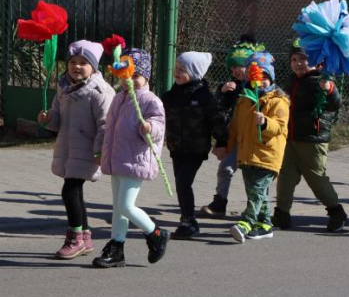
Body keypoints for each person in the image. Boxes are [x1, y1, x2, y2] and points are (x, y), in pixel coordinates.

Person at [92, 49, 169, 268]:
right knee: (118, 207)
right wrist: (101, 152)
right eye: (126, 75)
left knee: (126, 206)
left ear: (146, 76)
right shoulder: (118, 99)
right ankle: (117, 246)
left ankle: (155, 233)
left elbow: (159, 125)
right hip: (117, 159)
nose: (130, 80)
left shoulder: (151, 100)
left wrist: (150, 127)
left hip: (136, 160)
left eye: (136, 76)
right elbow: (108, 128)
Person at [37, 40, 115, 259]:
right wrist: (48, 119)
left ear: (94, 67)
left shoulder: (100, 91)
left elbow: (105, 124)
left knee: (69, 190)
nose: (77, 66)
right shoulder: (64, 88)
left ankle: (75, 238)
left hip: (88, 150)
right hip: (68, 147)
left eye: (83, 62)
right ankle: (85, 236)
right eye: (73, 61)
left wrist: (100, 151)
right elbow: (56, 115)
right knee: (76, 191)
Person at [273, 42, 348, 232]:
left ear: (316, 60)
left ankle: (336, 212)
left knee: (316, 179)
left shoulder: (321, 79)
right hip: (290, 137)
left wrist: (329, 89)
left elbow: (334, 103)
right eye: (294, 59)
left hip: (312, 139)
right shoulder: (292, 79)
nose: (298, 63)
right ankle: (281, 213)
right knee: (286, 176)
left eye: (304, 59)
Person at [162, 51, 227, 240]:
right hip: (176, 147)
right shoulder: (170, 95)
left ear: (195, 72)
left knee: (183, 182)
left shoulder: (204, 96)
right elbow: (160, 117)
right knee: (180, 183)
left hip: (195, 148)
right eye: (176, 68)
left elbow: (217, 120)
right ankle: (187, 219)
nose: (177, 72)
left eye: (182, 69)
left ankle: (189, 221)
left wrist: (222, 142)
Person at [228, 51, 289, 243]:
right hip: (247, 155)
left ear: (271, 78)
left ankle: (245, 223)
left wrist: (265, 122)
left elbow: (280, 127)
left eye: (265, 77)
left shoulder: (278, 101)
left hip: (267, 155)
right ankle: (265, 224)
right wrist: (226, 146)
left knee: (256, 191)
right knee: (256, 192)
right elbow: (236, 127)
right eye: (257, 76)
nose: (260, 81)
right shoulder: (244, 99)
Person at [201, 36, 265, 218]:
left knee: (253, 175)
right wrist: (222, 93)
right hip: (236, 136)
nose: (235, 70)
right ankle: (219, 203)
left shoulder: (260, 86)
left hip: (254, 138)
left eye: (240, 66)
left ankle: (257, 208)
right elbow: (219, 109)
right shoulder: (231, 87)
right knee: (226, 168)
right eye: (232, 67)